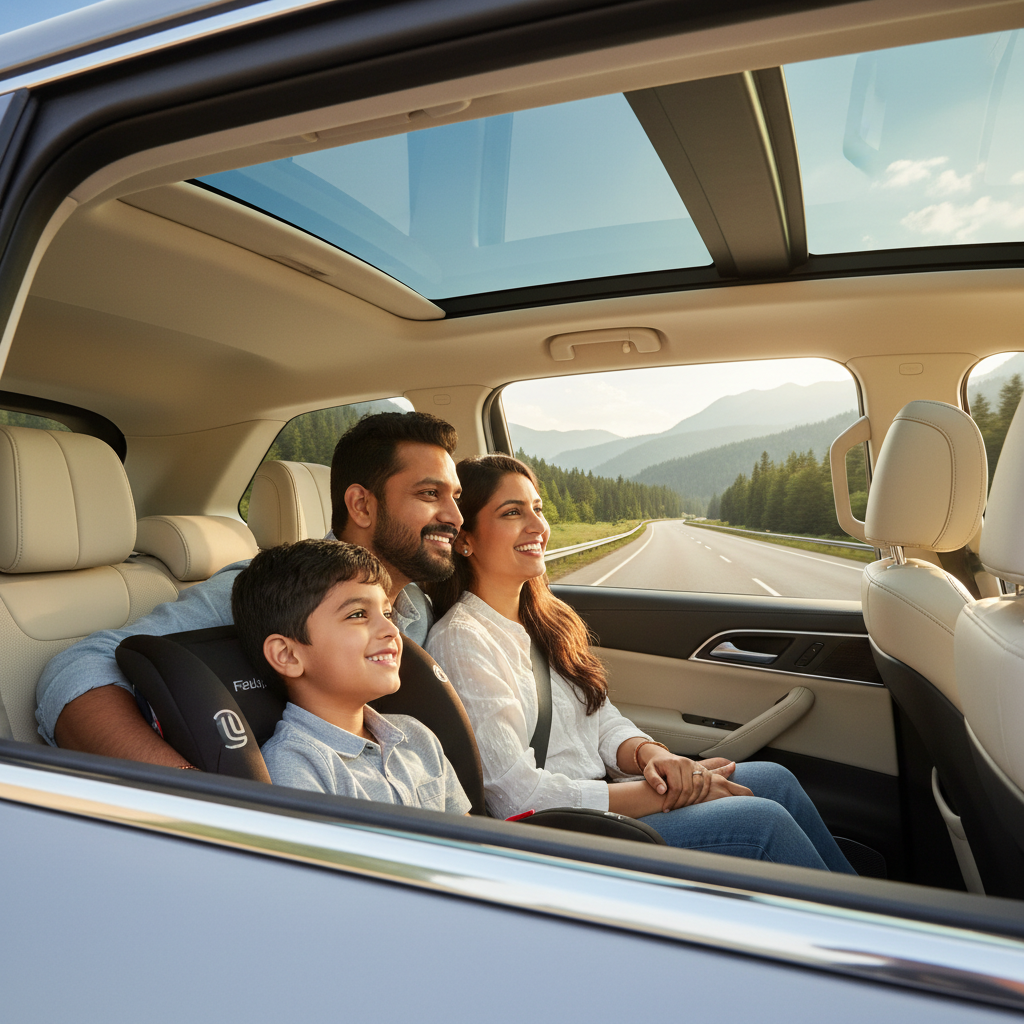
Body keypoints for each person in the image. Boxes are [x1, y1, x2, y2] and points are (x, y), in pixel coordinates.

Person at [425, 455, 855, 872]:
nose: (538, 526)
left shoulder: (544, 619)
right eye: (512, 512)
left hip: (603, 798)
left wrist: (651, 756)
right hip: (564, 834)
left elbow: (599, 720)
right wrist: (667, 793)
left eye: (537, 508)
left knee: (777, 779)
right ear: (465, 539)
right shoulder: (463, 640)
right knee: (763, 823)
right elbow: (518, 798)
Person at [35, 411, 463, 769]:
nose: (455, 517)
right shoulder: (275, 590)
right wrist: (191, 793)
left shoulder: (416, 607)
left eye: (456, 497)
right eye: (430, 493)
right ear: (362, 505)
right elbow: (77, 669)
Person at [232, 538, 470, 813]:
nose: (392, 630)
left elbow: (469, 835)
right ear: (287, 655)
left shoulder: (415, 736)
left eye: (387, 613)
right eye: (358, 614)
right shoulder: (296, 765)